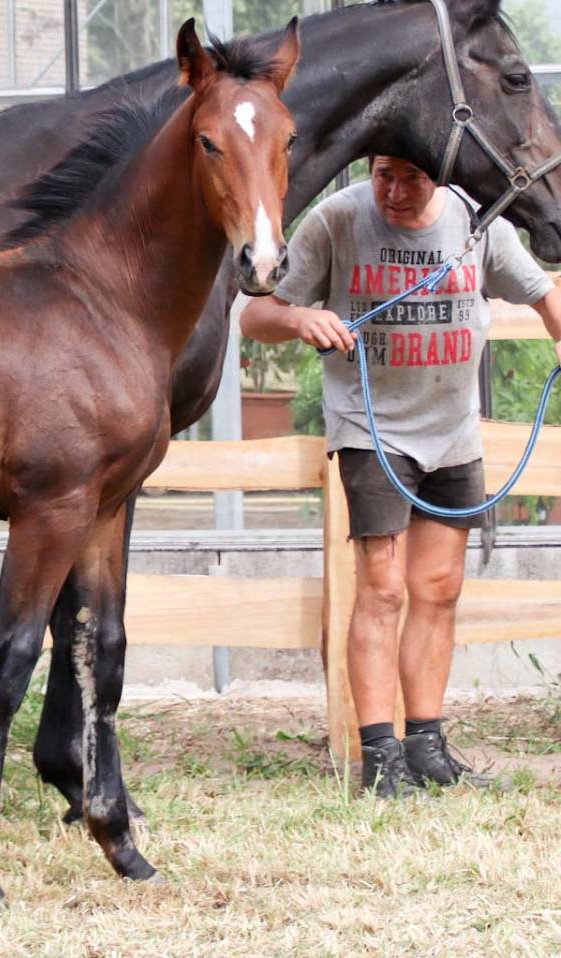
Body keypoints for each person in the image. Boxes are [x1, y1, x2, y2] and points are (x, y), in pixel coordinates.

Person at [240, 156, 561, 797]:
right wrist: (301, 318)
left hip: (452, 430)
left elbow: (544, 291)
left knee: (438, 588)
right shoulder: (337, 220)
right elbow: (254, 317)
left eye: (410, 178)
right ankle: (379, 757)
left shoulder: (476, 222)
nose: (392, 191)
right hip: (371, 427)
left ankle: (427, 746)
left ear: (438, 176)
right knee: (383, 590)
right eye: (382, 174)